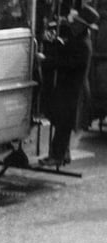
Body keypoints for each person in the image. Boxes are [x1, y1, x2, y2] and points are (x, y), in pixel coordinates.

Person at [37, 5, 99, 167]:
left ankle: (57, 156)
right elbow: (66, 51)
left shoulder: (83, 45)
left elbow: (67, 63)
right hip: (70, 90)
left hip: (73, 91)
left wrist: (46, 61)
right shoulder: (79, 40)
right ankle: (63, 154)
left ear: (83, 26)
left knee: (63, 124)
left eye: (76, 23)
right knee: (62, 122)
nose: (73, 25)